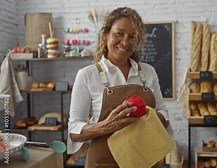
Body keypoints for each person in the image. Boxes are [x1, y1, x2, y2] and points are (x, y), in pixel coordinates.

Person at [67, 7, 170, 167]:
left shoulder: (148, 72)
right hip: (103, 163)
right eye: (119, 34)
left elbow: (164, 113)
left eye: (132, 37)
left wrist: (149, 118)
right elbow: (74, 130)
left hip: (145, 161)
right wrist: (106, 126)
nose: (125, 42)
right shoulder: (87, 75)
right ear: (105, 34)